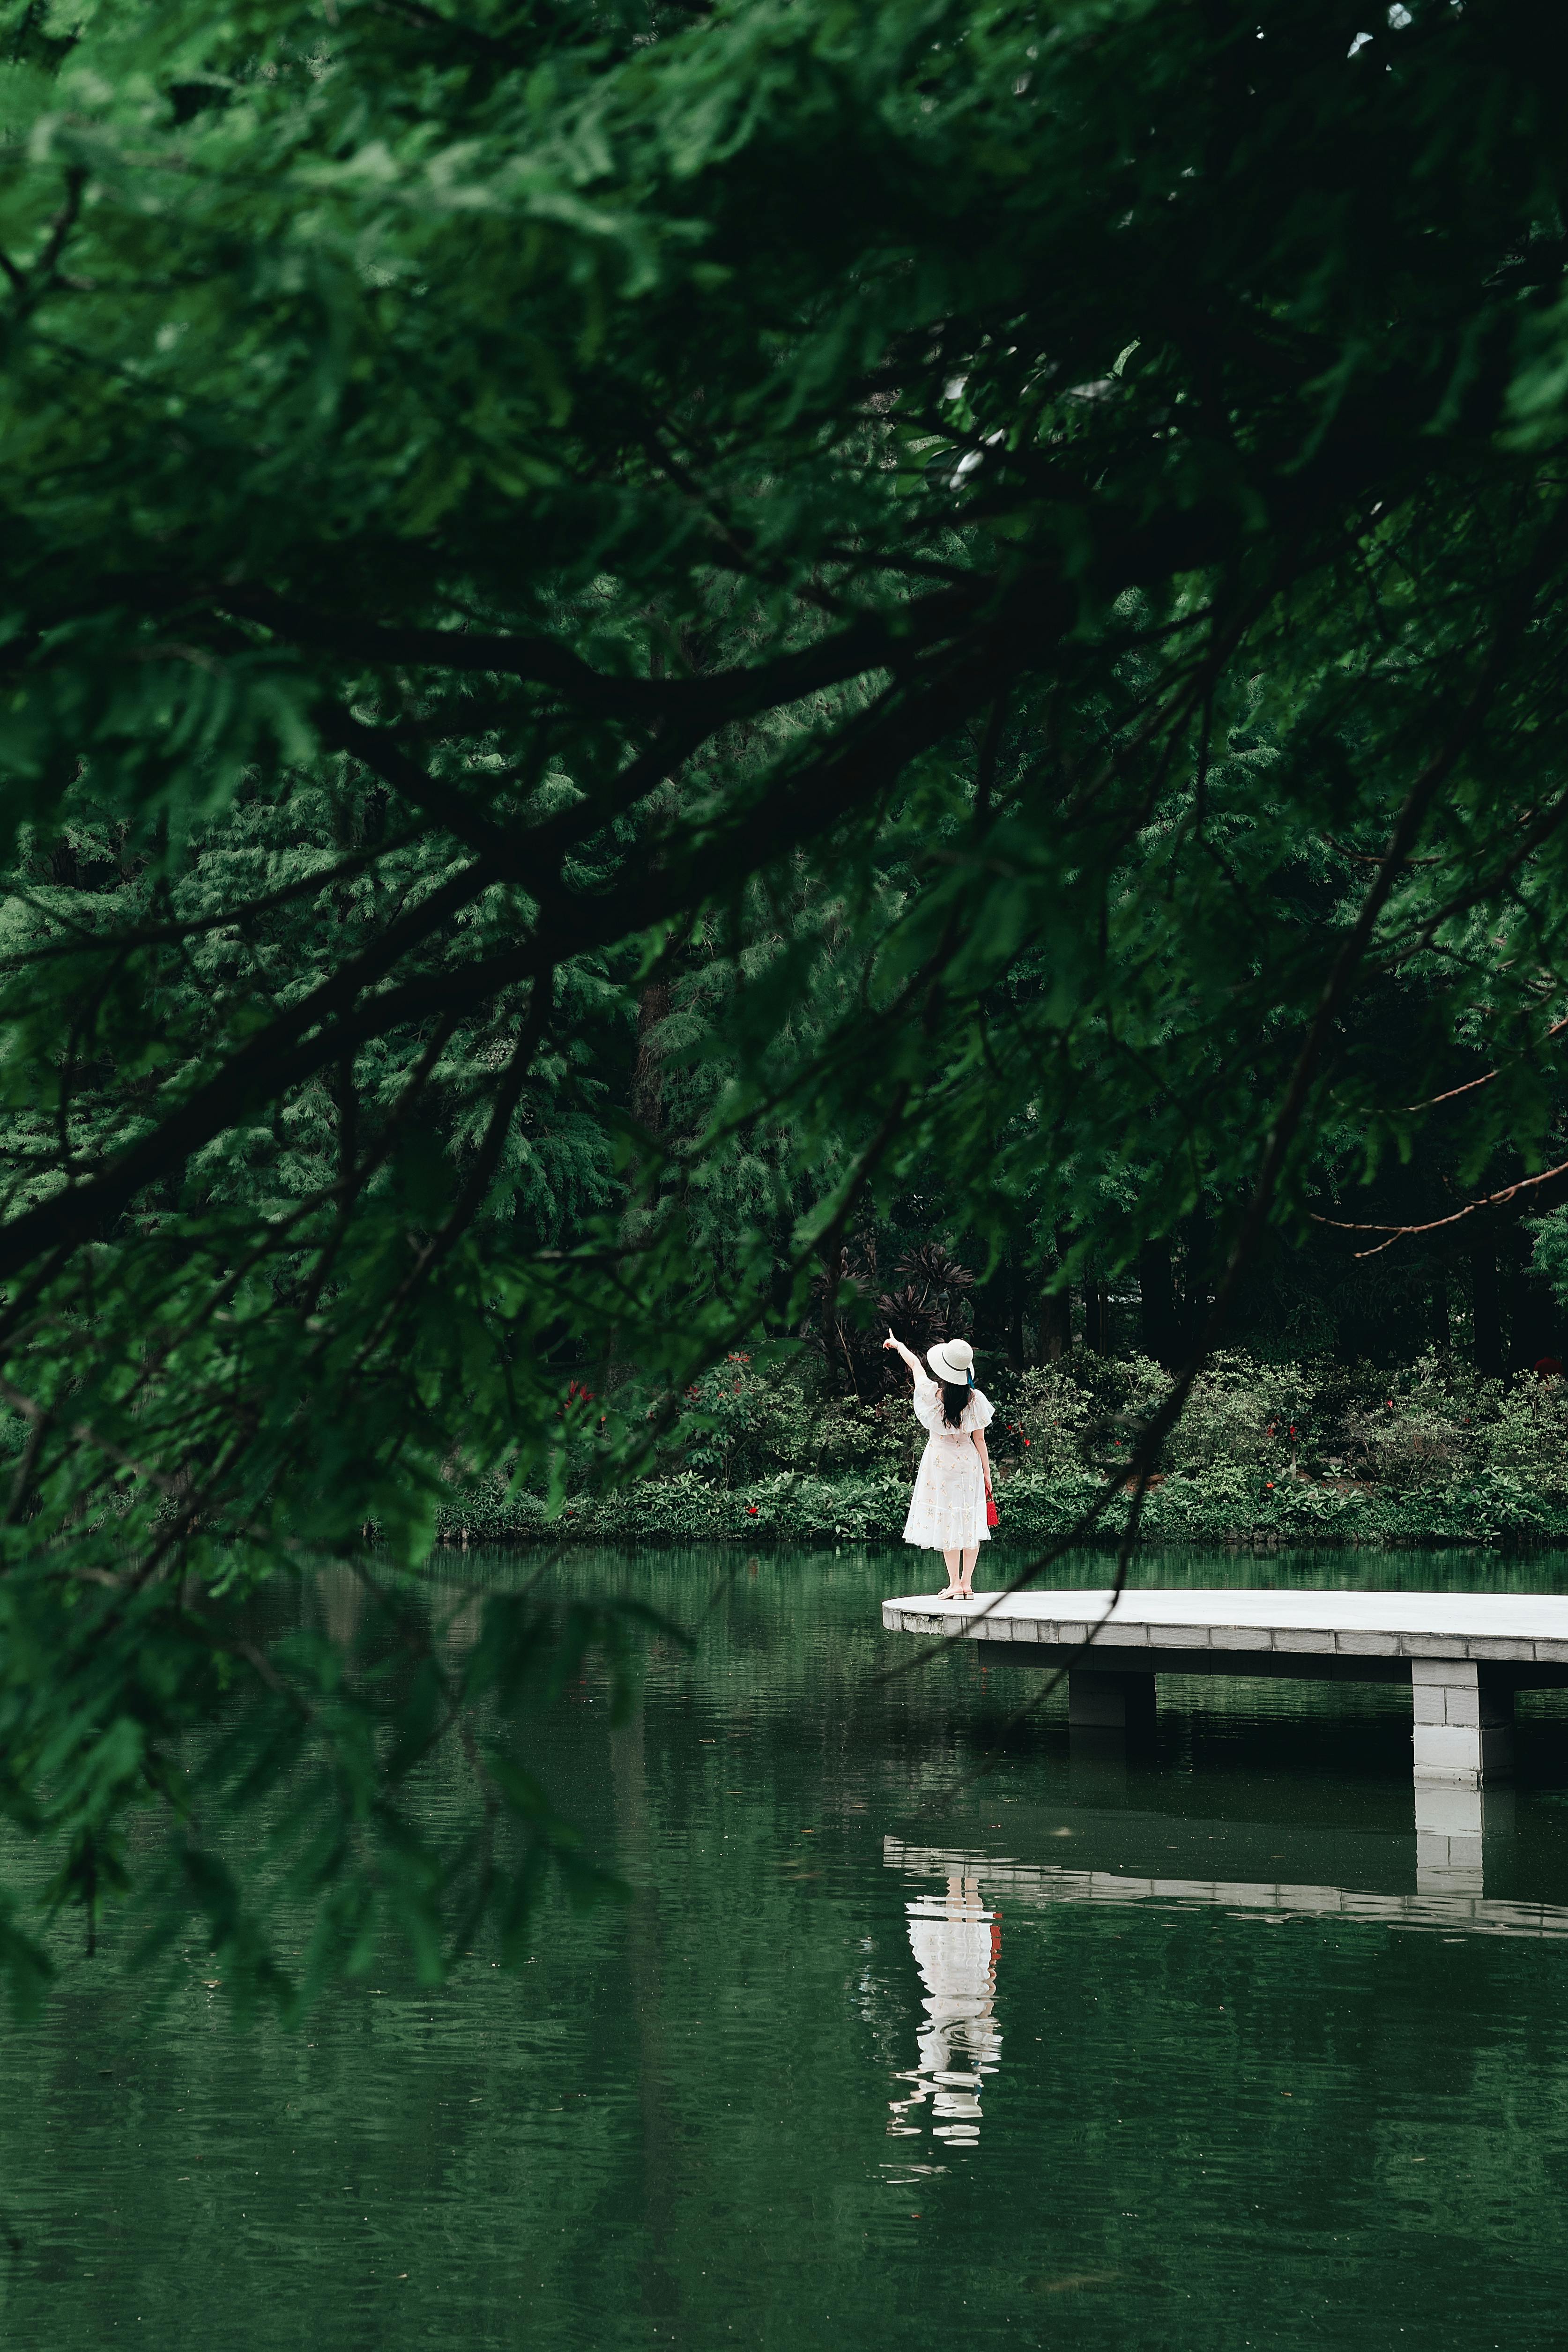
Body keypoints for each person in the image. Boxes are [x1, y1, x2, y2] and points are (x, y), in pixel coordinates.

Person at [882, 1329, 995, 1598]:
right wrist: (988, 1474)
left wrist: (898, 1345)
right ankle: (967, 1583)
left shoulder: (932, 1395)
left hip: (941, 1463)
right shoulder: (976, 1400)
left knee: (949, 1520)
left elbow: (916, 1365)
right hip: (969, 1463)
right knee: (969, 1521)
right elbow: (980, 1440)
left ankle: (954, 1583)